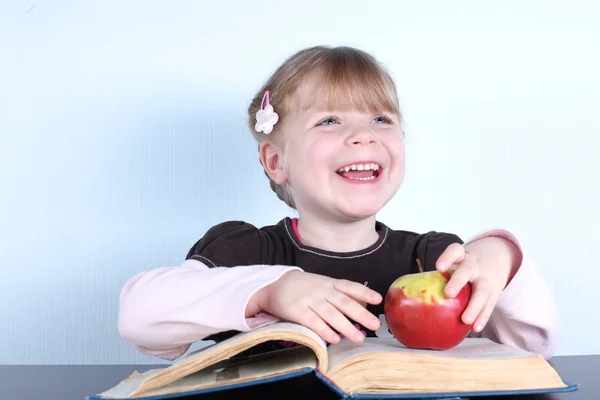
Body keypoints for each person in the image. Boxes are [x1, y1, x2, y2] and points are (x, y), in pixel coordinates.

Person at [117, 45, 560, 363]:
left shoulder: (436, 260)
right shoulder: (243, 252)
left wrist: (505, 259)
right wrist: (271, 290)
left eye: (381, 119)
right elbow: (139, 319)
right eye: (330, 120)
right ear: (276, 161)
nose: (364, 135)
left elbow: (529, 350)